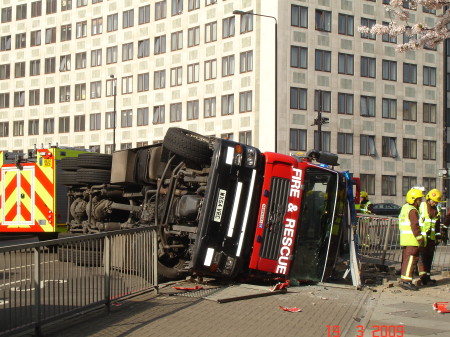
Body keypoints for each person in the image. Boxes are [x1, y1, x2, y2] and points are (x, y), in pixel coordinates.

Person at [398, 188, 424, 291]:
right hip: (412, 240)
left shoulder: (405, 208)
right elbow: (415, 226)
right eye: (418, 199)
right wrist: (420, 238)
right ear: (413, 199)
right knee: (410, 261)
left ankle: (405, 280)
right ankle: (406, 282)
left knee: (406, 260)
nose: (420, 201)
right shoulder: (413, 211)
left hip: (406, 239)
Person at [417, 189, 441, 285]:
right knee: (421, 258)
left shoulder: (437, 209)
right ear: (428, 199)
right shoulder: (422, 206)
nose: (435, 203)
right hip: (422, 238)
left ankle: (427, 276)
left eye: (436, 202)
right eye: (433, 201)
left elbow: (437, 225)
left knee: (429, 258)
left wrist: (438, 236)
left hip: (431, 239)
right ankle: (423, 278)